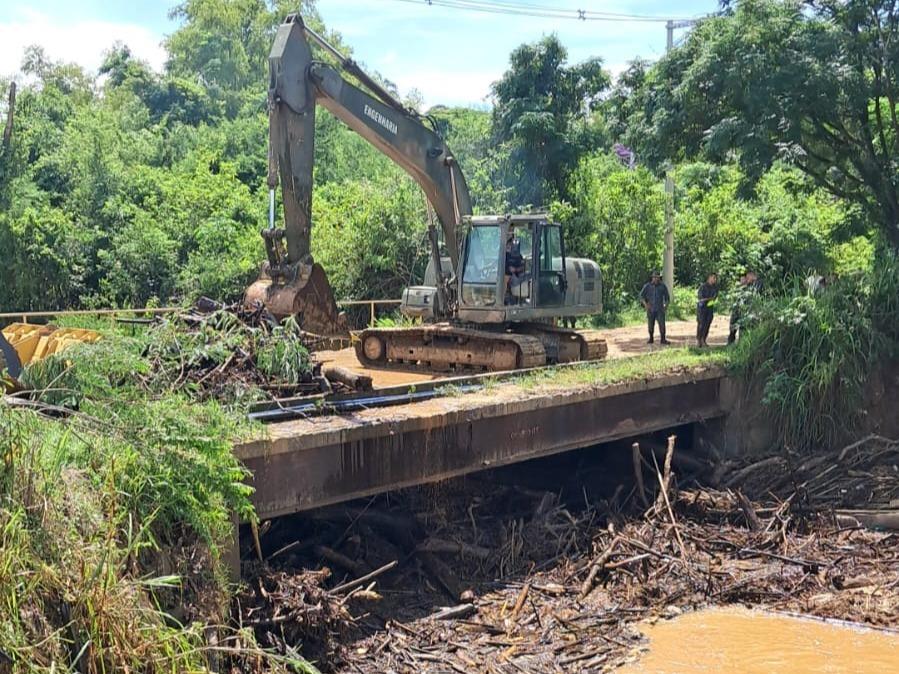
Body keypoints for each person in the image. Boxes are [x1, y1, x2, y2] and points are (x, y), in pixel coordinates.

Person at [728, 269, 761, 344]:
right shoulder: (745, 285)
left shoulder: (757, 284)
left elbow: (753, 295)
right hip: (739, 308)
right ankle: (731, 341)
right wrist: (742, 285)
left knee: (744, 326)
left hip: (749, 309)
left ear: (752, 275)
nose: (747, 278)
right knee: (734, 324)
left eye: (748, 276)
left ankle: (742, 343)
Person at [640, 270, 670, 345]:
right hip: (650, 308)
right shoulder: (647, 286)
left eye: (657, 277)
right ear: (652, 278)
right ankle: (651, 338)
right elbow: (641, 296)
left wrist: (665, 306)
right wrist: (645, 305)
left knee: (662, 325)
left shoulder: (663, 286)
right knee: (650, 325)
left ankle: (663, 339)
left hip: (660, 308)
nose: (656, 279)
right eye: (654, 277)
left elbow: (667, 298)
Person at [696, 273, 718, 347]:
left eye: (715, 278)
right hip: (702, 308)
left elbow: (714, 298)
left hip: (710, 308)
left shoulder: (715, 288)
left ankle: (704, 339)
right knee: (701, 324)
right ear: (709, 278)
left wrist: (710, 300)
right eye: (713, 278)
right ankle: (699, 340)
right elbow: (700, 298)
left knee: (707, 324)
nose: (714, 280)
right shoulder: (703, 287)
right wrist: (708, 299)